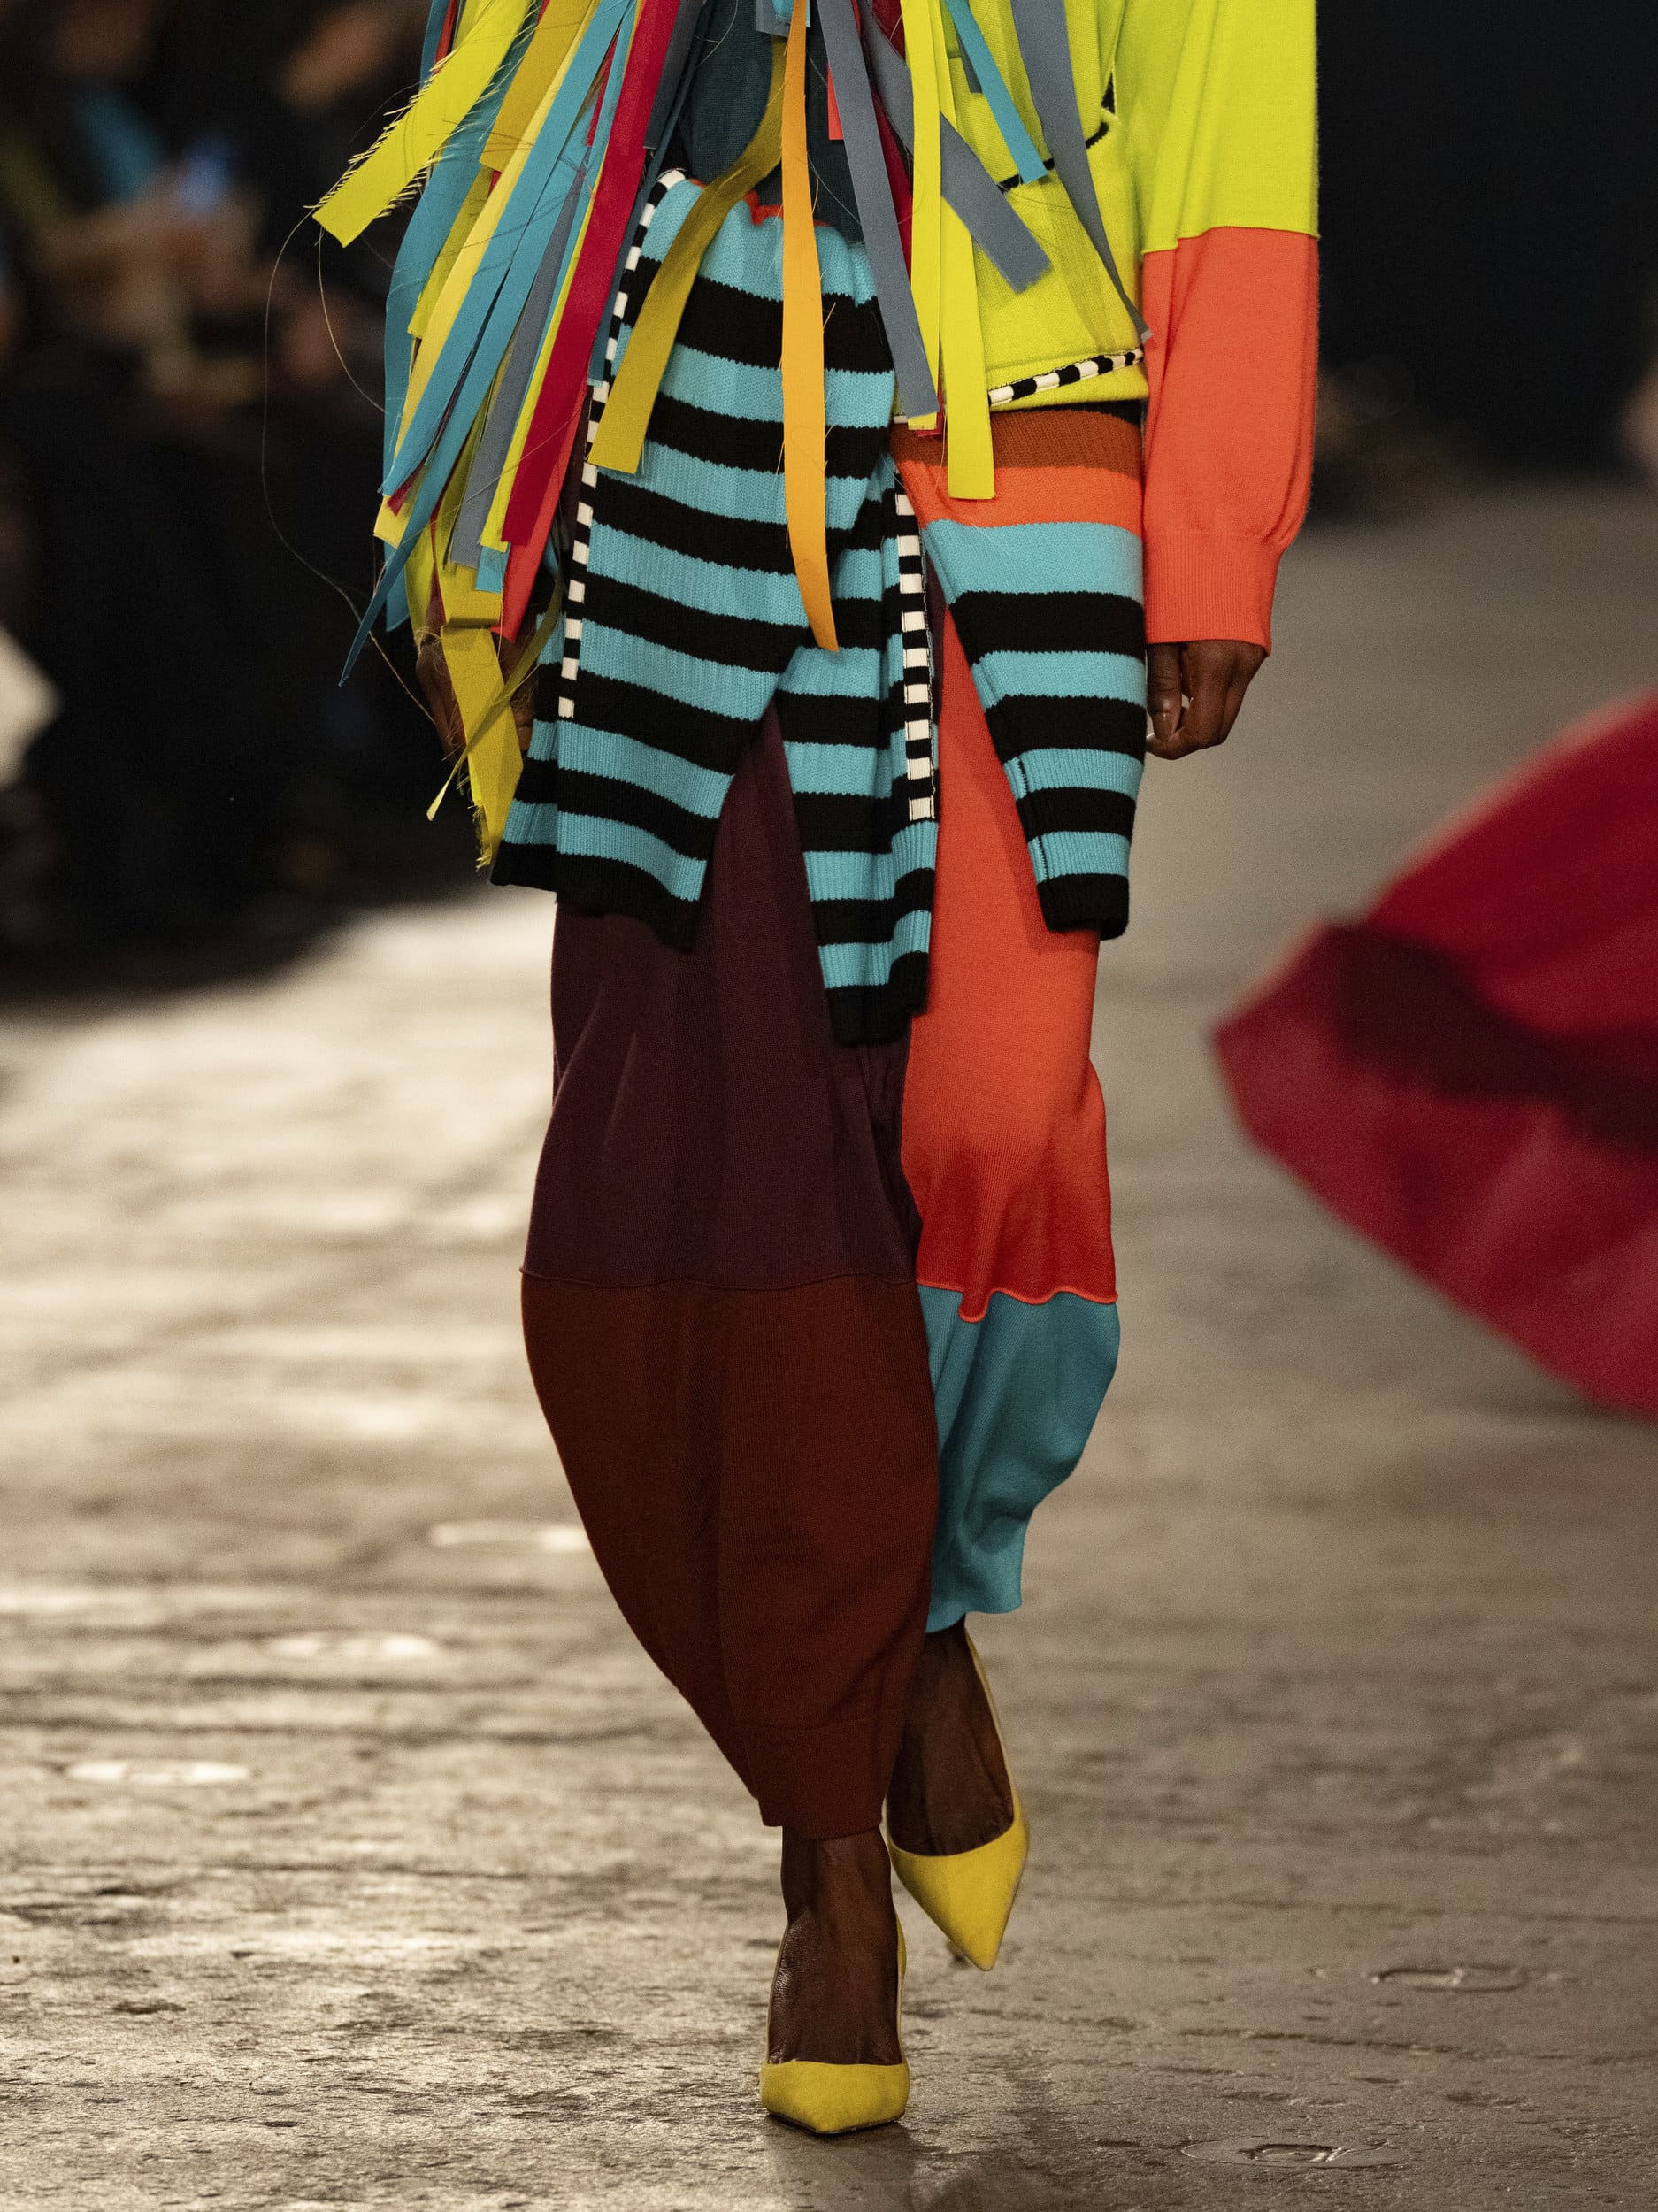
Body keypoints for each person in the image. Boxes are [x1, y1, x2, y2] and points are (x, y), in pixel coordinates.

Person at [320, 0, 1316, 2131]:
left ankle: (912, 1615)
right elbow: (506, 69)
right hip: (659, 433)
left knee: (988, 1130)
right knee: (727, 1155)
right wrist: (461, 491)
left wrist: (1217, 515)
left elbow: (1228, 102)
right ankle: (826, 1855)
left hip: (1011, 449)